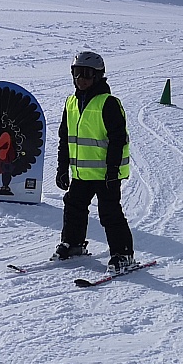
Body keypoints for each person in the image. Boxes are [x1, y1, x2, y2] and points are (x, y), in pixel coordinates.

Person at [54, 51, 137, 275]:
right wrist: (62, 168)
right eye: (76, 73)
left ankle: (123, 254)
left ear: (98, 76)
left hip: (106, 174)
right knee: (73, 206)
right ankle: (73, 243)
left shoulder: (108, 103)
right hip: (81, 173)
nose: (80, 79)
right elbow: (65, 139)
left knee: (109, 212)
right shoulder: (71, 103)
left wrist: (113, 170)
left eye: (86, 74)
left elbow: (118, 140)